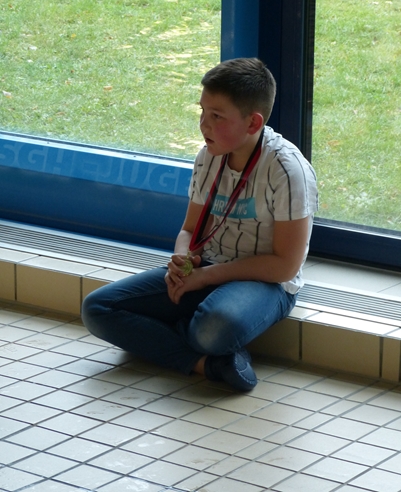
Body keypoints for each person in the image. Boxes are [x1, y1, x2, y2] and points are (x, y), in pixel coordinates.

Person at [82, 58, 318, 392]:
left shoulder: (287, 170)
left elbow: (284, 267)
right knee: (96, 308)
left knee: (213, 329)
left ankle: (180, 335)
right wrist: (182, 259)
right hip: (205, 270)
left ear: (253, 122)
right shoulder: (209, 155)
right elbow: (190, 230)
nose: (203, 125)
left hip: (263, 283)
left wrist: (207, 277)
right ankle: (208, 364)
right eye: (202, 111)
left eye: (216, 116)